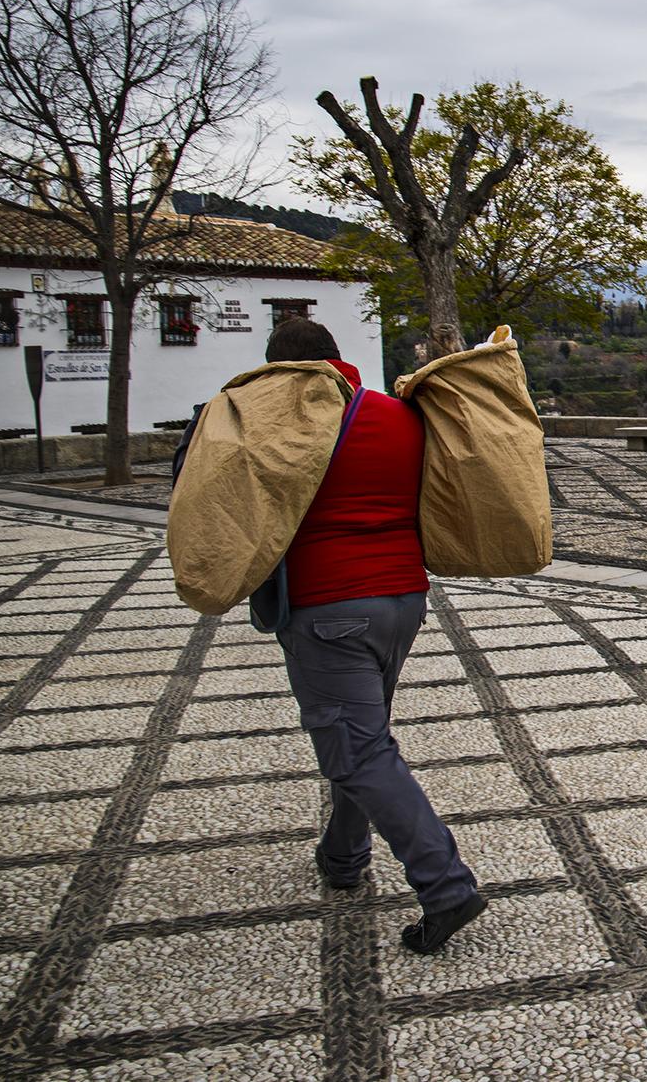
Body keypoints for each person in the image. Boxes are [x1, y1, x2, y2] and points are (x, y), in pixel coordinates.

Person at [263, 318, 485, 954]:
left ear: (280, 375)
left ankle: (445, 886)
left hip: (329, 607)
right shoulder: (397, 414)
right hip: (403, 599)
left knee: (356, 749)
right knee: (363, 738)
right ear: (338, 361)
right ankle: (342, 855)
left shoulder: (284, 427)